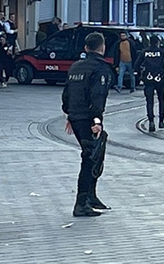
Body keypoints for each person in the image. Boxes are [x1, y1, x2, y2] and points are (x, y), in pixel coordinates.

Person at [62, 32, 114, 217]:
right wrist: (97, 121)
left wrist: (69, 114)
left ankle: (91, 196)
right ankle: (81, 202)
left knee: (95, 152)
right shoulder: (100, 69)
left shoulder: (76, 66)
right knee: (90, 156)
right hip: (88, 119)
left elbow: (67, 93)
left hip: (75, 117)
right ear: (102, 48)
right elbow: (98, 96)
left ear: (86, 48)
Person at [134, 35, 164, 132]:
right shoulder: (161, 52)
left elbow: (137, 64)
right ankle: (161, 121)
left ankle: (151, 121)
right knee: (161, 99)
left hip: (148, 79)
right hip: (160, 78)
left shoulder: (145, 52)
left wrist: (138, 72)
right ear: (158, 42)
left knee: (149, 101)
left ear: (149, 42)